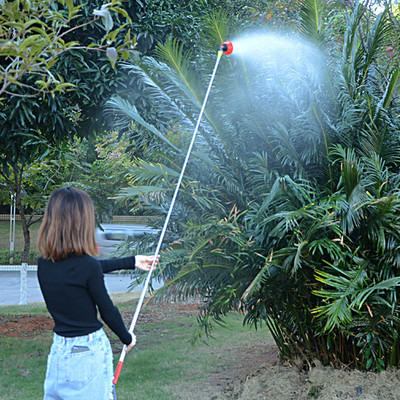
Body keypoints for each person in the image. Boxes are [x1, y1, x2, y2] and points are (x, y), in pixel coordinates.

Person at [37, 186, 159, 400]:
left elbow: (84, 270)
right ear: (81, 222)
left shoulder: (44, 263)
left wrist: (131, 261)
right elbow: (107, 311)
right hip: (87, 354)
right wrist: (127, 338)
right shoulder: (86, 267)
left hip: (58, 352)